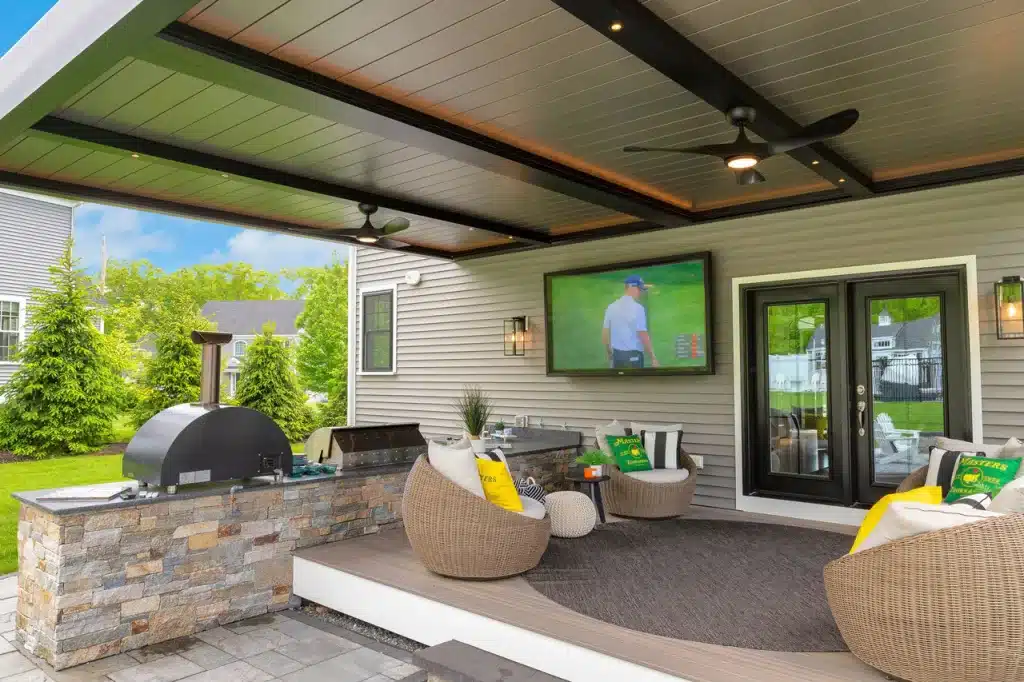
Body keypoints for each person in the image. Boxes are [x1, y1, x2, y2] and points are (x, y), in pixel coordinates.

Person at [602, 275, 659, 369]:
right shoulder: (638, 308)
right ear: (631, 288)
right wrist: (653, 357)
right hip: (634, 357)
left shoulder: (611, 307)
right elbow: (643, 334)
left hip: (617, 356)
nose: (640, 292)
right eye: (639, 289)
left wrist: (609, 354)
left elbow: (605, 334)